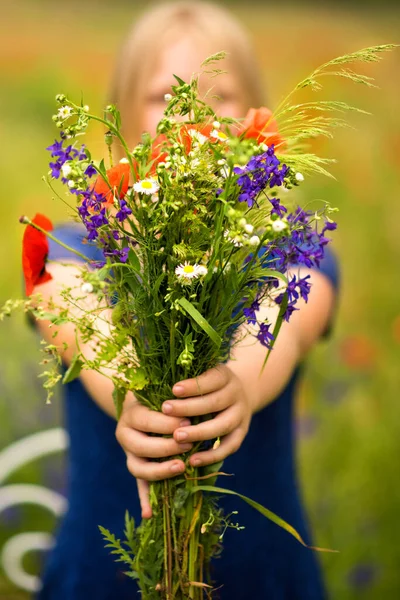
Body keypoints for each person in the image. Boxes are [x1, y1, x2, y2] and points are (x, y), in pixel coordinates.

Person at [34, 2, 339, 599]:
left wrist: (242, 384)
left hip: (260, 577)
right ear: (121, 117)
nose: (189, 114)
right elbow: (74, 313)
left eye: (218, 95)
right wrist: (131, 395)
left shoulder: (286, 247)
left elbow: (292, 312)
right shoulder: (73, 248)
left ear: (257, 122)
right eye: (162, 95)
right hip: (104, 579)